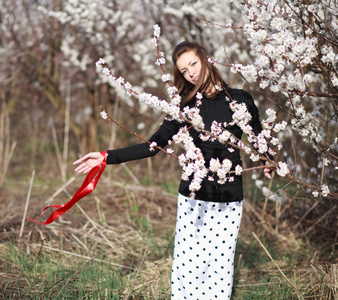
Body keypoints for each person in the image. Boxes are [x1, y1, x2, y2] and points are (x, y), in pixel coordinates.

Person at [74, 41, 274, 300]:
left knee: (219, 268)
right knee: (188, 268)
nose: (190, 72)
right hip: (193, 197)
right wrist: (107, 157)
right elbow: (153, 146)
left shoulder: (240, 100)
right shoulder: (183, 105)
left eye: (193, 63)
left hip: (229, 198)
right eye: (183, 70)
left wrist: (269, 158)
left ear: (206, 59)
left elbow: (258, 138)